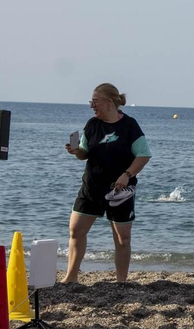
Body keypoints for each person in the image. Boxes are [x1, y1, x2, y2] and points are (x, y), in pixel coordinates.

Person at [62, 83, 150, 284]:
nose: (92, 106)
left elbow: (143, 155)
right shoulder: (92, 124)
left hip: (120, 191)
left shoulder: (129, 125)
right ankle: (71, 277)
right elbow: (84, 152)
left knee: (122, 238)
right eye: (90, 102)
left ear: (109, 103)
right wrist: (77, 151)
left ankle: (121, 282)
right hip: (91, 187)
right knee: (75, 230)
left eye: (95, 101)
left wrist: (127, 174)